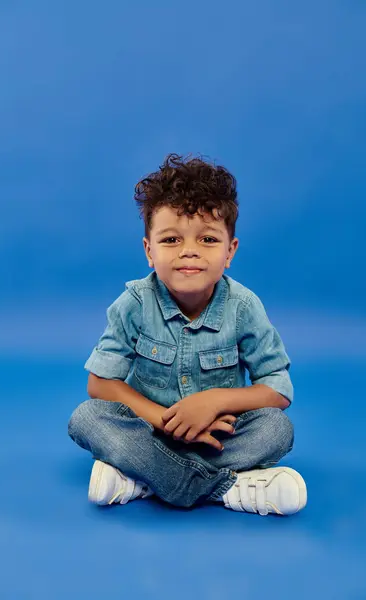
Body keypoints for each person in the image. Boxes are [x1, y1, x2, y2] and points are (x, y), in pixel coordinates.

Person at [68, 153, 307, 516]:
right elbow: (101, 384)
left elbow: (277, 389)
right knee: (88, 418)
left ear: (230, 251)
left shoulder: (243, 307)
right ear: (149, 251)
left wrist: (212, 403)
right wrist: (164, 420)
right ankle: (228, 488)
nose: (189, 252)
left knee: (277, 429)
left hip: (218, 438)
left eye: (208, 239)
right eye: (171, 240)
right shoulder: (134, 303)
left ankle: (143, 480)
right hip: (151, 432)